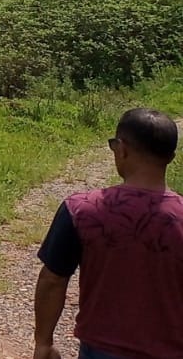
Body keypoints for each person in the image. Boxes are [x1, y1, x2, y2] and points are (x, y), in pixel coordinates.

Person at [34, 107, 183, 359]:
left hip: (102, 351)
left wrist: (43, 343)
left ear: (121, 149)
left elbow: (53, 280)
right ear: (170, 157)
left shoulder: (80, 209)